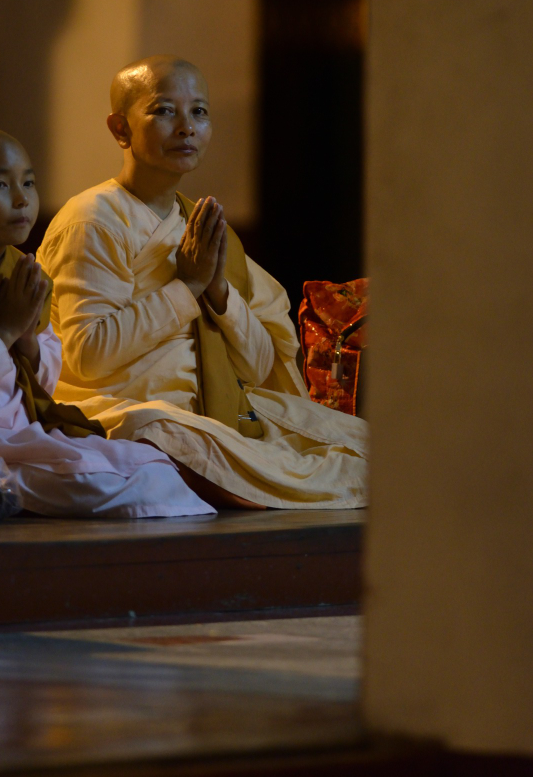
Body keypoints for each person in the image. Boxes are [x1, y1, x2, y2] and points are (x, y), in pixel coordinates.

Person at [38, 57, 367, 510]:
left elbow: (257, 367)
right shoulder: (94, 219)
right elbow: (88, 356)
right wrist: (186, 288)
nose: (186, 128)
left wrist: (217, 294)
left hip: (221, 407)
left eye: (199, 112)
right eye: (164, 111)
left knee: (373, 450)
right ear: (120, 130)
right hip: (127, 409)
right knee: (174, 435)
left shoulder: (201, 226)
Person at [0, 126, 214, 519]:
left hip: (18, 434)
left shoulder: (22, 270)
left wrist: (27, 342)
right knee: (94, 479)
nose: (22, 200)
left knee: (154, 466)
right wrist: (4, 331)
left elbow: (43, 384)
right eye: (1, 186)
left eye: (29, 183)